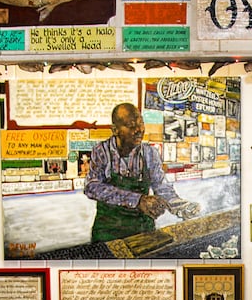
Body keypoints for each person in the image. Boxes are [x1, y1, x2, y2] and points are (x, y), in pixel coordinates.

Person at [84, 103, 200, 243]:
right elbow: (92, 187)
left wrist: (180, 206)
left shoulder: (150, 152)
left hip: (143, 230)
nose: (139, 130)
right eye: (131, 126)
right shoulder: (102, 151)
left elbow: (161, 186)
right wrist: (138, 200)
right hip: (108, 232)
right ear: (115, 130)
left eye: (141, 124)